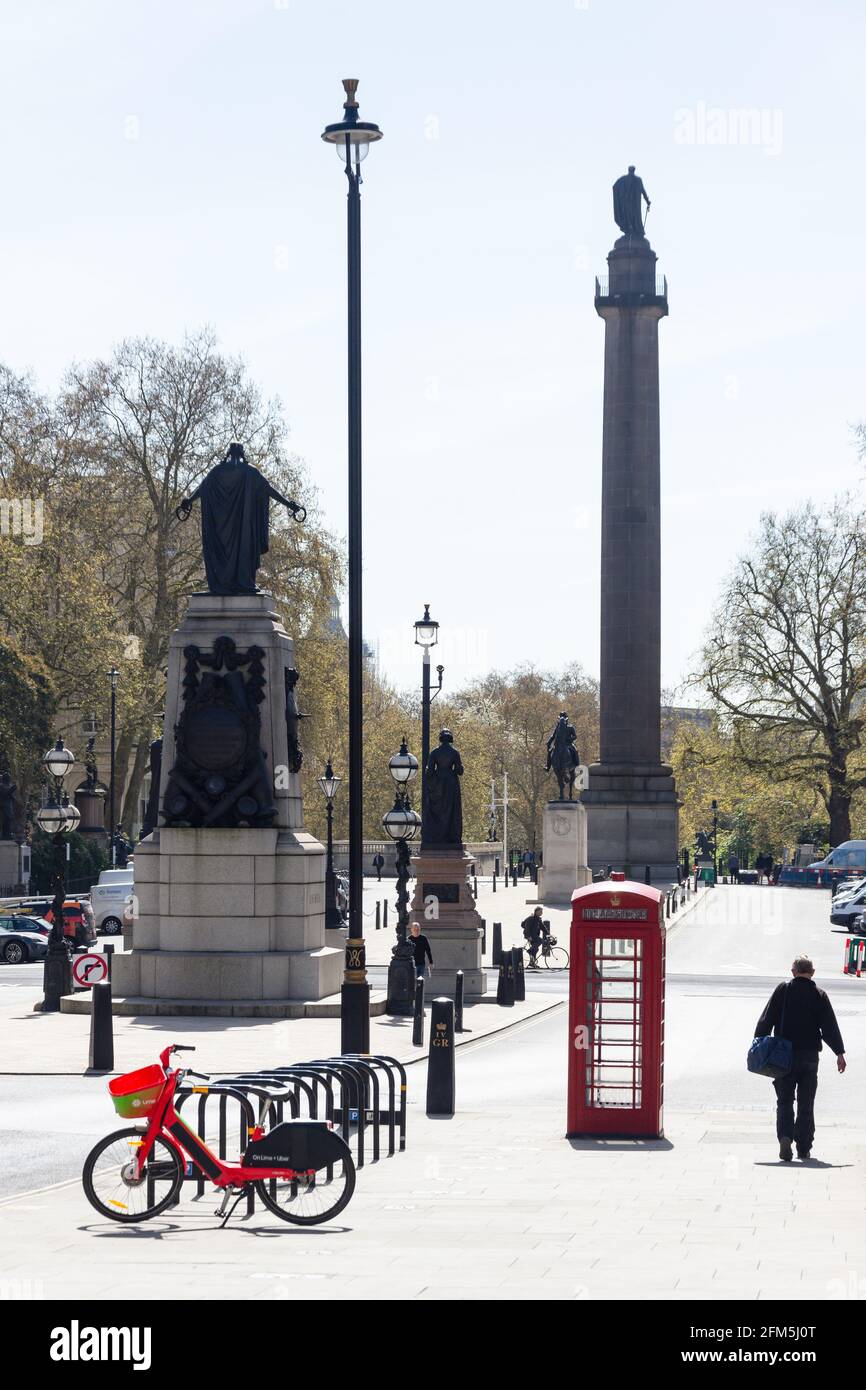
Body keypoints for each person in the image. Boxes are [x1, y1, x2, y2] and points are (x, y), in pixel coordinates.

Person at [754, 954, 846, 1162]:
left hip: (783, 1056)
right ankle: (803, 1147)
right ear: (812, 973)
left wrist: (758, 1043)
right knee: (807, 1102)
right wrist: (839, 1053)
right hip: (810, 1057)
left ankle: (785, 1136)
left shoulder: (783, 990)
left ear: (793, 971)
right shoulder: (819, 994)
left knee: (785, 1100)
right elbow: (829, 1027)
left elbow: (766, 1019)